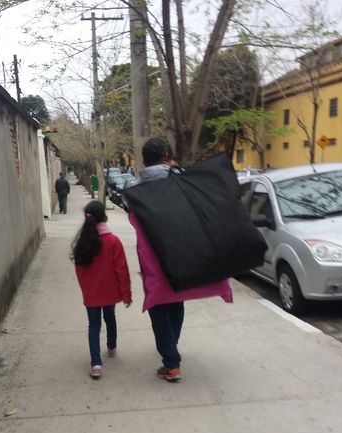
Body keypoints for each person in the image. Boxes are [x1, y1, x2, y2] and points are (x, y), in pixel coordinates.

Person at [125, 138, 232, 382]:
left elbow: (129, 209)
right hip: (183, 250)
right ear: (166, 155)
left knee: (158, 302)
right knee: (176, 299)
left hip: (151, 255)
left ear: (144, 159)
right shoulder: (181, 178)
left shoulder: (134, 187)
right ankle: (170, 346)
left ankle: (171, 361)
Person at [71, 200, 132, 378]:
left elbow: (79, 270)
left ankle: (96, 364)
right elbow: (122, 270)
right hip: (109, 292)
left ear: (86, 218)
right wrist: (126, 294)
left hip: (91, 293)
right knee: (110, 317)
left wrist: (86, 288)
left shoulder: (82, 243)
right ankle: (111, 347)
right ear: (104, 217)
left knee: (94, 326)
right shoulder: (113, 241)